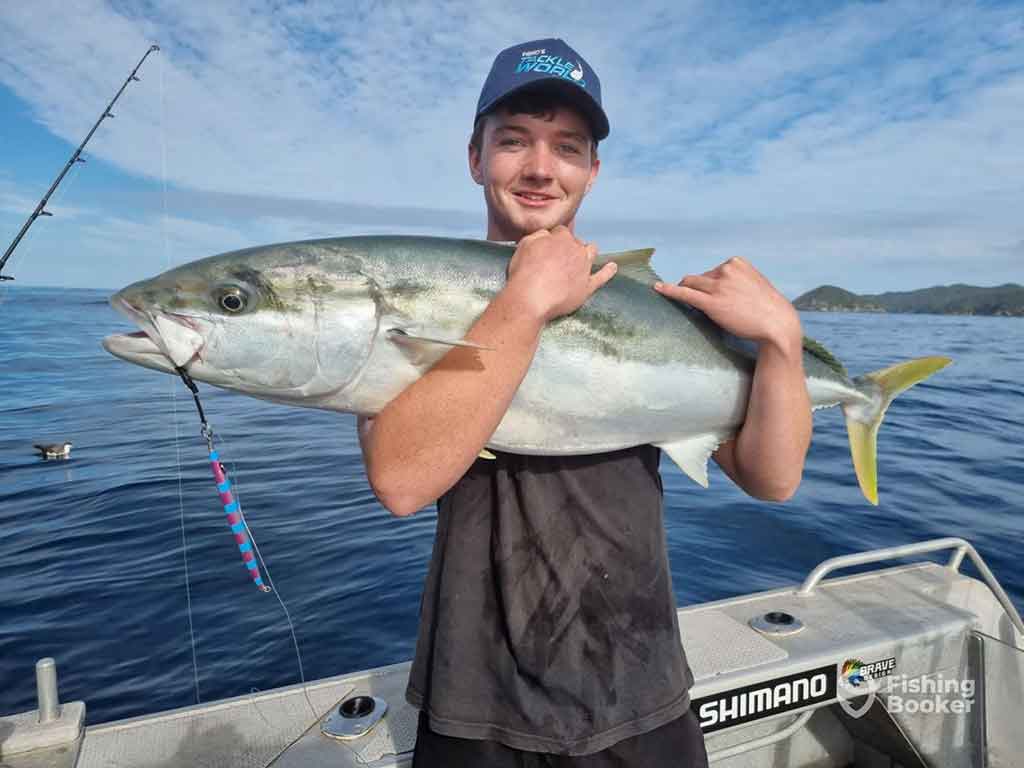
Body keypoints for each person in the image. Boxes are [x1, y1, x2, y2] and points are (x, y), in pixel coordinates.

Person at [359, 38, 812, 767]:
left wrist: (783, 343)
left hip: (641, 686)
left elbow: (774, 478)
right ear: (474, 156)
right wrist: (524, 301)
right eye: (513, 141)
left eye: (567, 148)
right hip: (474, 702)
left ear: (591, 172)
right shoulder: (421, 297)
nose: (540, 167)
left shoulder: (646, 310)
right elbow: (402, 479)